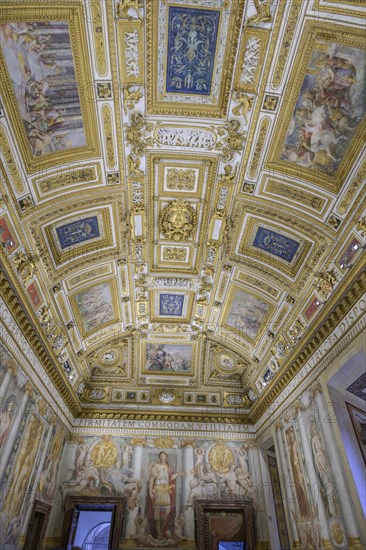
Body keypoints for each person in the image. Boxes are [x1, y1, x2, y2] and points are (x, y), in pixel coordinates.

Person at [148, 451, 184, 539]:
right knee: (157, 513)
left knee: (166, 512)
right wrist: (150, 492)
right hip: (157, 490)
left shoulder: (168, 467)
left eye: (164, 456)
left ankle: (162, 530)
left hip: (166, 491)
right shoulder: (155, 466)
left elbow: (170, 478)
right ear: (159, 457)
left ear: (166, 457)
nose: (162, 457)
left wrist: (178, 474)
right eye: (161, 456)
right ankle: (159, 534)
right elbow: (152, 480)